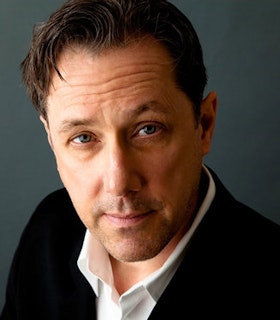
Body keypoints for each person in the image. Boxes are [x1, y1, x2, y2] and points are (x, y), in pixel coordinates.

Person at [1, 0, 280, 318]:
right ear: (51, 140)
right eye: (83, 138)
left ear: (203, 125)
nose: (119, 183)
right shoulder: (48, 234)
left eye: (148, 130)